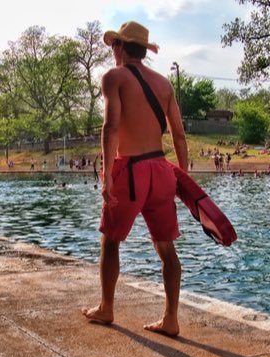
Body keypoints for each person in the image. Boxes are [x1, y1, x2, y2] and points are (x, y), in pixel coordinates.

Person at [82, 21, 188, 336]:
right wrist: (182, 176)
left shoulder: (114, 77)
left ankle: (106, 307)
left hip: (129, 169)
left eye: (114, 45)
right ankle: (171, 319)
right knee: (166, 247)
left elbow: (111, 127)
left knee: (110, 240)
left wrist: (106, 177)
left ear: (121, 47)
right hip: (161, 168)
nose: (112, 50)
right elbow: (179, 137)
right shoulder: (164, 84)